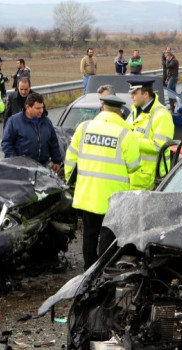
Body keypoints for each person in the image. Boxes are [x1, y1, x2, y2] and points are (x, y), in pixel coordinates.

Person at [65, 94, 141, 270]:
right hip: (112, 197)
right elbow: (135, 166)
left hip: (87, 193)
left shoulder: (83, 128)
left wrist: (72, 181)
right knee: (107, 237)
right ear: (120, 113)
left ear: (102, 110)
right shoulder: (125, 134)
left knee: (89, 235)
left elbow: (70, 158)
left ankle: (88, 271)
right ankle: (103, 272)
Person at [126, 79, 174, 190]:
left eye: (134, 93)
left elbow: (160, 146)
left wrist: (131, 140)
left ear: (146, 94)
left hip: (151, 180)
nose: (131, 96)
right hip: (134, 177)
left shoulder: (161, 115)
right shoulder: (134, 111)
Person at [1, 92, 62, 172]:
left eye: (42, 107)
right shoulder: (14, 121)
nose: (41, 111)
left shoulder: (46, 121)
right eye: (38, 108)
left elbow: (53, 142)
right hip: (22, 169)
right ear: (28, 107)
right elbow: (6, 144)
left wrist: (56, 160)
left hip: (43, 167)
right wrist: (16, 162)